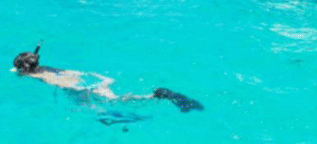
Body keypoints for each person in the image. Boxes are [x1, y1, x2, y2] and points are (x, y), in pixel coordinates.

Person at [13, 42, 203, 112]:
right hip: (84, 79)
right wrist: (102, 79)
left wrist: (20, 71)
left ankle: (157, 96)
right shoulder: (47, 67)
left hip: (78, 88)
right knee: (112, 99)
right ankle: (157, 96)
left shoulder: (32, 75)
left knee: (109, 105)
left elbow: (22, 74)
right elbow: (75, 73)